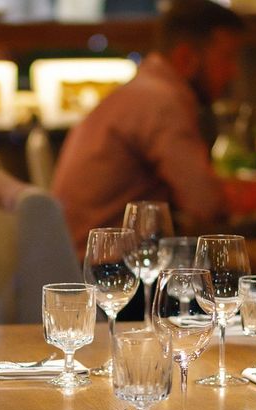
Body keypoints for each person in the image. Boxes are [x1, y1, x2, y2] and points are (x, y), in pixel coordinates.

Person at [52, 0, 245, 255]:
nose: (233, 72)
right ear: (185, 57)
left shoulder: (143, 89)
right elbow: (206, 204)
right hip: (107, 274)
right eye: (227, 57)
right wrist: (250, 197)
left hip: (80, 261)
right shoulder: (162, 102)